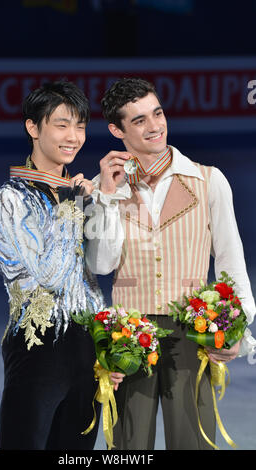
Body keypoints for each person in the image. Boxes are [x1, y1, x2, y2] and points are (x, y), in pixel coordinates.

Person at [85, 77, 256, 450]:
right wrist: (108, 199)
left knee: (192, 442)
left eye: (157, 113)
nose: (155, 126)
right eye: (140, 120)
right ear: (117, 130)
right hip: (130, 335)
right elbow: (100, 263)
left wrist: (240, 326)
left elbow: (231, 259)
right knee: (131, 445)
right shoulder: (106, 186)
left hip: (192, 331)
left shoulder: (209, 180)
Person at [0, 80, 123, 450]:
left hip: (85, 348)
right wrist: (71, 208)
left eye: (80, 125)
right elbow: (47, 275)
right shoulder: (9, 199)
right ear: (33, 127)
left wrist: (105, 201)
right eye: (62, 124)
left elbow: (101, 267)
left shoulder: (83, 192)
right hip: (36, 349)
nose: (74, 136)